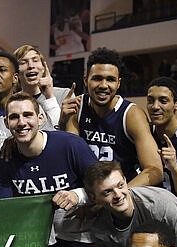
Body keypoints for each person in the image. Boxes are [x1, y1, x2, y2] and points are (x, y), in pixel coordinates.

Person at [0, 92, 97, 247]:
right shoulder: (5, 159)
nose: (22, 122)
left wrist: (78, 196)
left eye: (27, 115)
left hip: (81, 234)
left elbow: (106, 186)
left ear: (40, 118)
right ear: (6, 123)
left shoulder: (70, 145)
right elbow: (3, 211)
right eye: (14, 117)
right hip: (38, 241)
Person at [64, 47, 162, 187]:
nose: (103, 85)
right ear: (86, 80)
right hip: (89, 193)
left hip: (122, 195)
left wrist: (118, 194)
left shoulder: (131, 114)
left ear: (118, 83)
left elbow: (154, 170)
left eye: (110, 79)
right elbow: (71, 161)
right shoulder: (77, 107)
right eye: (97, 78)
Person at [83, 161, 177, 247]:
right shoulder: (100, 225)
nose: (118, 195)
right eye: (107, 192)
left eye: (120, 185)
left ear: (125, 181)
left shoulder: (159, 204)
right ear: (93, 198)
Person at [13, 44, 72, 131]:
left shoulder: (64, 95)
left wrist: (50, 96)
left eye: (35, 60)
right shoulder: (13, 102)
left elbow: (68, 134)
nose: (31, 66)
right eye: (23, 62)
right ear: (16, 72)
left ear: (43, 68)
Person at [146, 77, 177, 198]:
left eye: (163, 101)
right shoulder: (145, 135)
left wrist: (174, 169)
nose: (155, 106)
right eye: (150, 101)